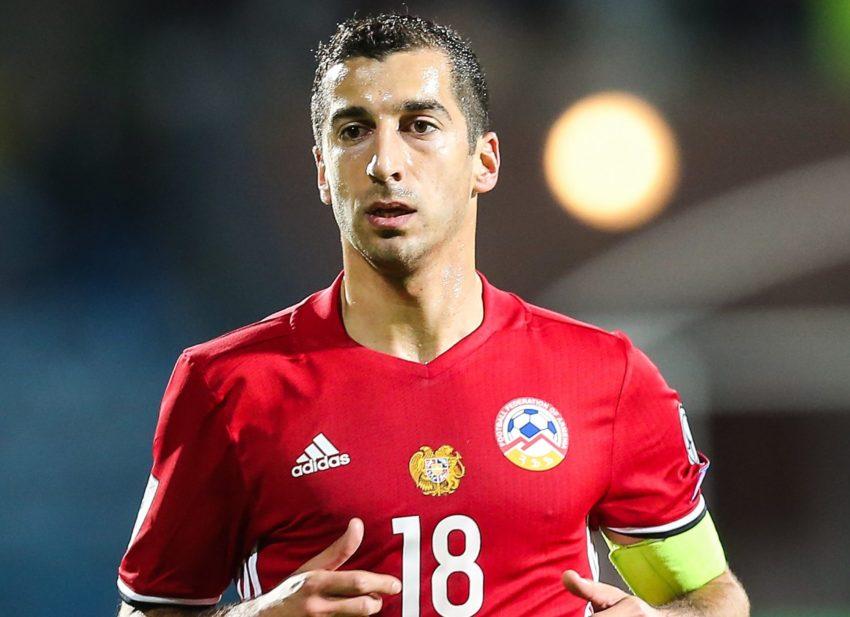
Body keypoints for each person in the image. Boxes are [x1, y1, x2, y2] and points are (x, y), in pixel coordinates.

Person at [117, 12, 749, 617]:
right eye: (353, 131)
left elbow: (714, 596)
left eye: (419, 125)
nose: (384, 163)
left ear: (484, 161)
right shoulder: (228, 386)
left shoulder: (606, 376)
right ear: (322, 171)